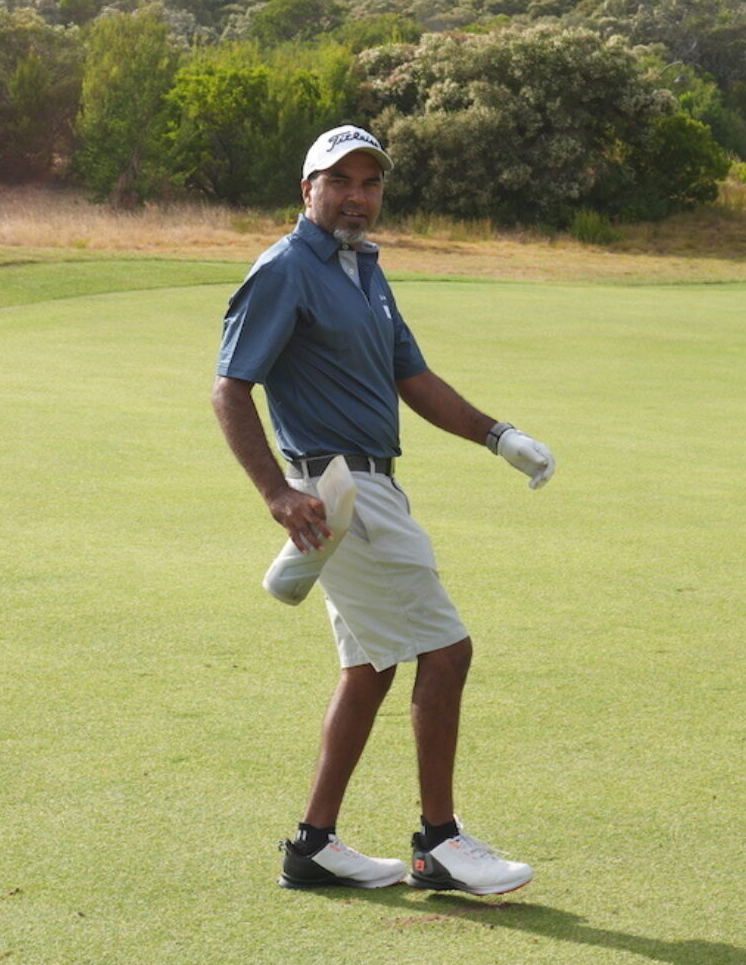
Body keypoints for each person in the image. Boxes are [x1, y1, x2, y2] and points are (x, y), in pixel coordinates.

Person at [211, 125, 556, 896]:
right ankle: (439, 843)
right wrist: (276, 492)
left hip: (371, 485)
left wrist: (498, 437)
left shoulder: (363, 268)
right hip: (340, 490)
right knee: (446, 651)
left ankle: (313, 846)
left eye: (369, 183)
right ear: (307, 189)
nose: (356, 197)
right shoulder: (285, 269)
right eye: (339, 181)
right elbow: (230, 389)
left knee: (369, 668)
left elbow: (412, 376)